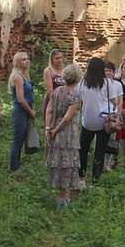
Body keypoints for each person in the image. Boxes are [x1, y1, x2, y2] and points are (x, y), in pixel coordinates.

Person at [45, 63, 83, 210]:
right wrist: (55, 131)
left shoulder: (56, 91)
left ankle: (61, 197)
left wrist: (48, 128)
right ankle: (62, 199)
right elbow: (67, 118)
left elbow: (49, 110)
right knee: (67, 166)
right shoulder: (76, 95)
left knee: (58, 165)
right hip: (68, 136)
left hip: (55, 134)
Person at [78, 57, 122, 183]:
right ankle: (95, 178)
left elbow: (79, 100)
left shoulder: (82, 83)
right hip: (103, 121)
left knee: (83, 149)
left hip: (87, 121)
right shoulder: (107, 83)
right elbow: (114, 101)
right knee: (100, 150)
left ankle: (81, 176)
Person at [8, 51, 35, 172]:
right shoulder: (18, 77)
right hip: (20, 111)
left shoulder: (25, 75)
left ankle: (17, 165)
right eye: (23, 59)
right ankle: (14, 167)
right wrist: (30, 112)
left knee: (23, 137)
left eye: (27, 59)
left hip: (26, 110)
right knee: (18, 139)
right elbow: (20, 98)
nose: (27, 61)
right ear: (18, 62)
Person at [102, 61, 122, 171]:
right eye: (105, 70)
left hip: (113, 116)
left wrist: (118, 116)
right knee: (100, 140)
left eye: (110, 71)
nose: (108, 73)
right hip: (102, 116)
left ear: (114, 73)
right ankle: (100, 162)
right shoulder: (100, 84)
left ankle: (108, 164)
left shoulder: (117, 85)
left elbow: (120, 101)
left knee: (111, 141)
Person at [42, 48, 66, 125]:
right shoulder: (48, 70)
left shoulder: (65, 71)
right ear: (52, 60)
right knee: (51, 125)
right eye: (57, 58)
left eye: (61, 58)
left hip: (64, 101)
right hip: (52, 101)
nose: (59, 60)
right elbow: (50, 92)